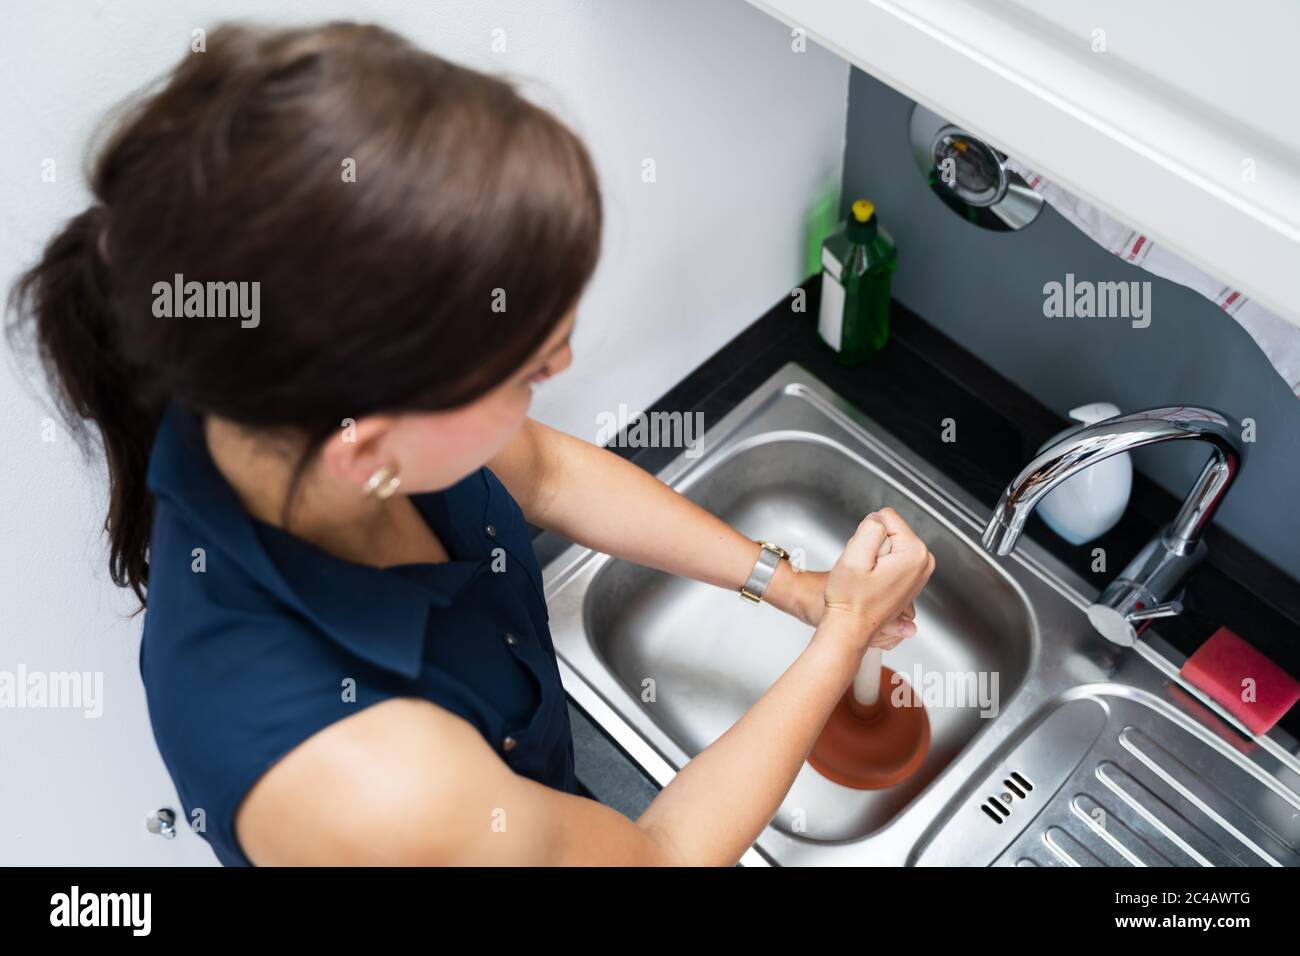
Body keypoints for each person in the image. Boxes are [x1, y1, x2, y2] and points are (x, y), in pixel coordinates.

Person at [8, 20, 934, 865]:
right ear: (367, 452)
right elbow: (659, 856)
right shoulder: (381, 781)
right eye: (530, 366)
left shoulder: (277, 406)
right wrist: (845, 635)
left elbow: (549, 475)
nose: (565, 363)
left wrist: (797, 589)